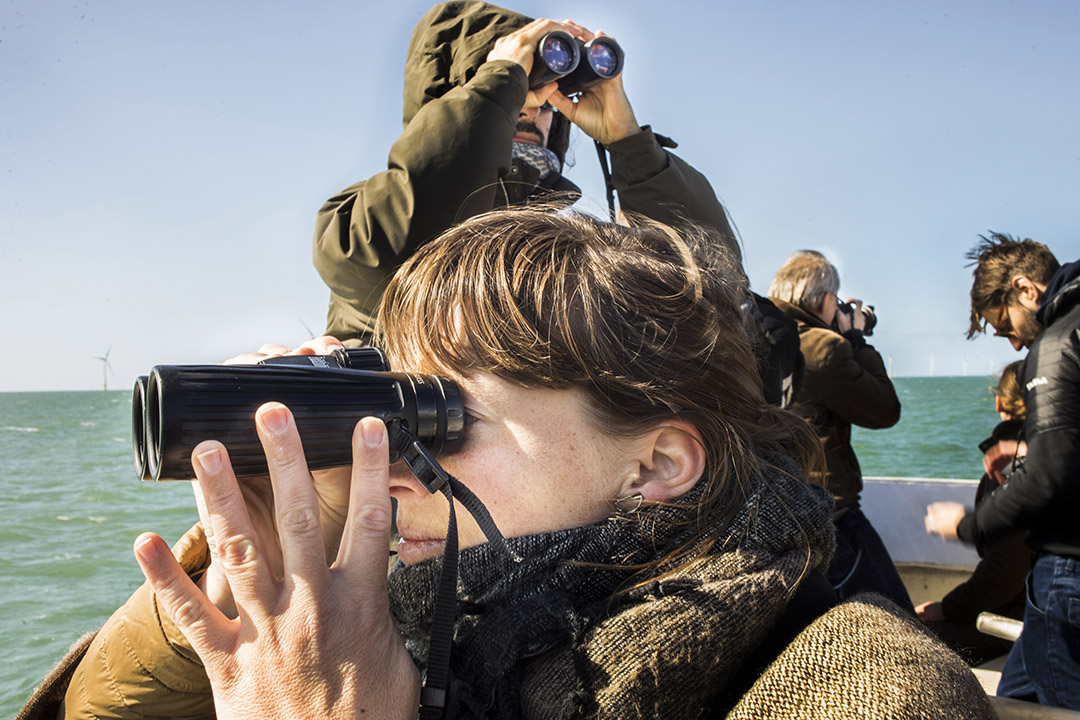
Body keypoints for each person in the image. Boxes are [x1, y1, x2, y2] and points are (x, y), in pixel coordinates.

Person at [28, 210, 840, 719]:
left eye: (442, 419)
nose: (390, 470)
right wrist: (241, 591)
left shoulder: (850, 684)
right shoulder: (418, 615)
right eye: (387, 413)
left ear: (655, 463)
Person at [312, 1, 740, 345]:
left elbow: (711, 300)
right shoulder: (357, 221)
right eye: (517, 85)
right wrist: (499, 86)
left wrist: (629, 145)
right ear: (454, 99)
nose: (534, 107)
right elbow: (409, 259)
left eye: (547, 91)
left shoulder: (570, 249)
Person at [926, 233, 1080, 710]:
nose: (1014, 340)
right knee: (1014, 698)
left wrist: (966, 527)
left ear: (1025, 288)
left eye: (1005, 324)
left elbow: (1050, 478)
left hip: (1066, 569)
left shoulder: (1055, 344)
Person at [768, 250, 912, 610]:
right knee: (898, 619)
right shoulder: (823, 348)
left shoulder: (761, 337)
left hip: (775, 509)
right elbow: (884, 409)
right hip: (831, 513)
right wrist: (858, 339)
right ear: (826, 299)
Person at [916, 361, 1033, 665]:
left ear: (998, 402)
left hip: (1023, 619)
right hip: (1032, 610)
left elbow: (1005, 572)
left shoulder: (1011, 468)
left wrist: (947, 608)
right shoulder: (1055, 458)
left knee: (909, 646)